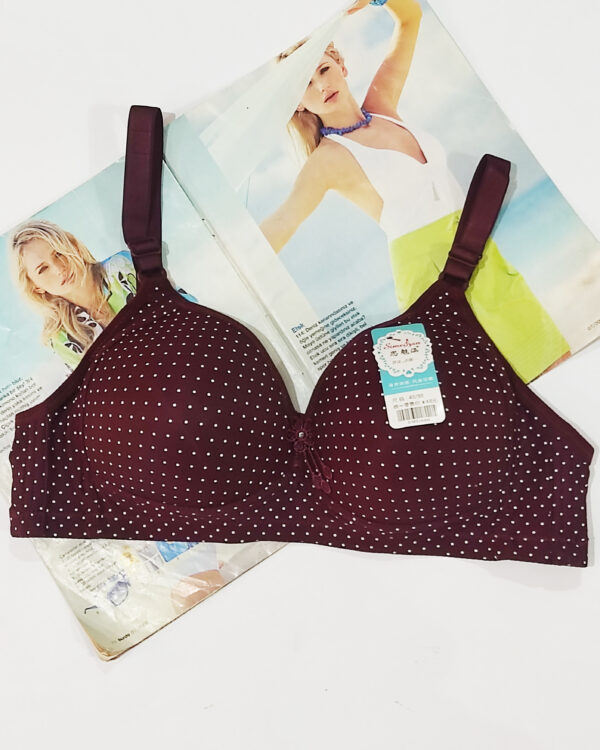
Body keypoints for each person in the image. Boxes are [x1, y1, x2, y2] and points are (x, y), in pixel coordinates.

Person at [260, 0, 570, 381]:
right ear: (298, 105)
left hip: (479, 254)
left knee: (557, 360)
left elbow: (410, 17)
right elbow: (283, 222)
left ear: (341, 65)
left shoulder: (382, 105)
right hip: (431, 280)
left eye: (323, 69)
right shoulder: (328, 159)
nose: (321, 85)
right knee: (495, 396)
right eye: (306, 84)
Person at [9, 219, 137, 369]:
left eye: (58, 254)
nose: (58, 269)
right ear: (35, 287)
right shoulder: (61, 338)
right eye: (43, 269)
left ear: (74, 247)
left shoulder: (123, 267)